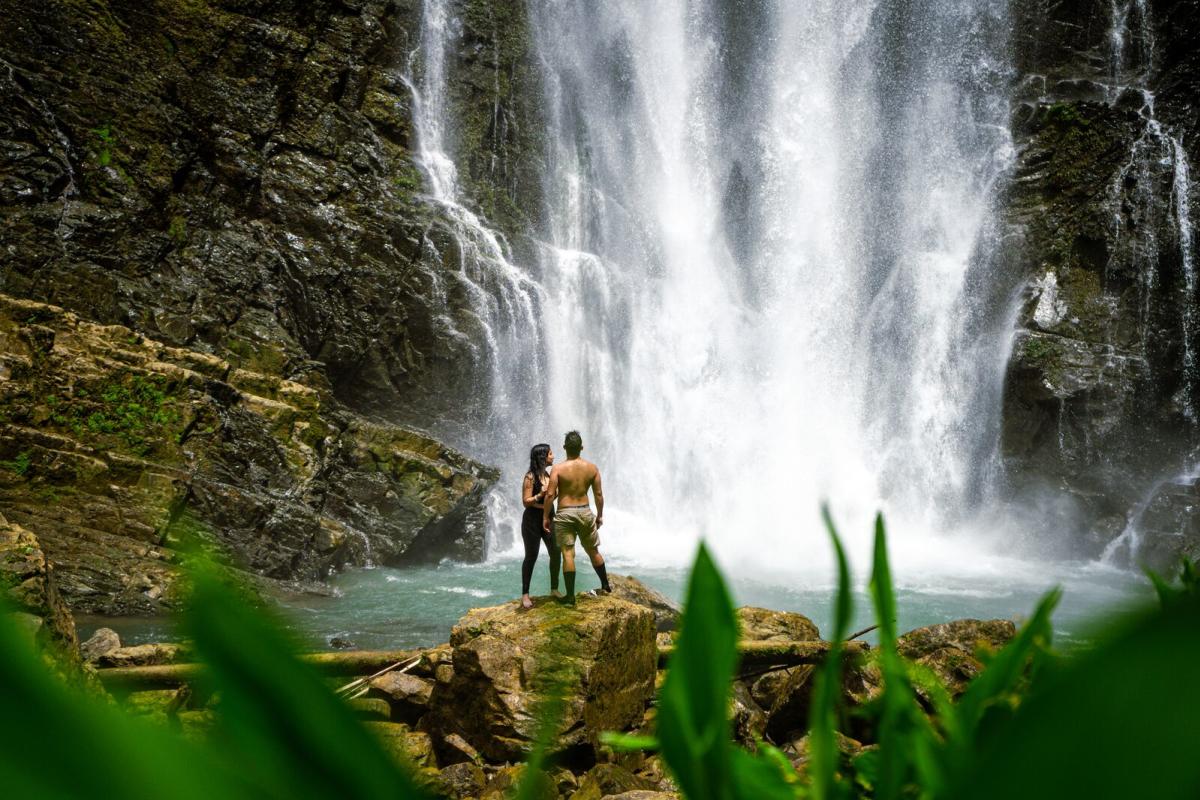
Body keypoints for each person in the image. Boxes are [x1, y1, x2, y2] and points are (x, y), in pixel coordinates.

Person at [542, 430, 610, 604]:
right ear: (581, 447)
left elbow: (550, 495)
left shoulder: (558, 468)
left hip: (565, 513)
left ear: (564, 447)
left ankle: (570, 596)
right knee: (593, 550)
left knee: (568, 554)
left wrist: (545, 517)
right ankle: (605, 585)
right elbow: (599, 494)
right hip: (585, 511)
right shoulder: (592, 468)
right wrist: (600, 515)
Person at [520, 443, 561, 609]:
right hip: (532, 521)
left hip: (549, 518)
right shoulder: (530, 477)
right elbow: (525, 501)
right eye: (550, 453)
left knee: (556, 553)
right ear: (542, 457)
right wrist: (540, 495)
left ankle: (554, 589)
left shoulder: (549, 475)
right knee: (531, 556)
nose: (553, 456)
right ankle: (525, 595)